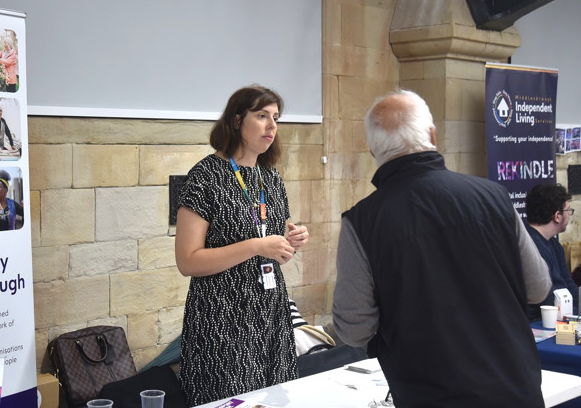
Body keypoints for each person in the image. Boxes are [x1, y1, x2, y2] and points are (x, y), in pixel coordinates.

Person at [332, 89, 551, 408]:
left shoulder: (362, 222)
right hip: (515, 388)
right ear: (432, 136)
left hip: (428, 392)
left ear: (372, 151)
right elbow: (538, 287)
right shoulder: (495, 196)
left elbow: (354, 328)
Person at [174, 85, 308, 405]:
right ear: (236, 121)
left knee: (276, 400)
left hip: (270, 316)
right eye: (262, 116)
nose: (272, 126)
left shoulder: (270, 178)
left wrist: (288, 244)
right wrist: (256, 246)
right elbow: (188, 261)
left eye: (275, 117)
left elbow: (271, 251)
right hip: (223, 323)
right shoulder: (205, 176)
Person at [524, 183, 579, 320]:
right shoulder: (530, 247)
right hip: (542, 321)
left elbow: (568, 284)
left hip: (561, 315)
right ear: (557, 216)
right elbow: (545, 297)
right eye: (568, 210)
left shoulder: (554, 244)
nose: (569, 215)